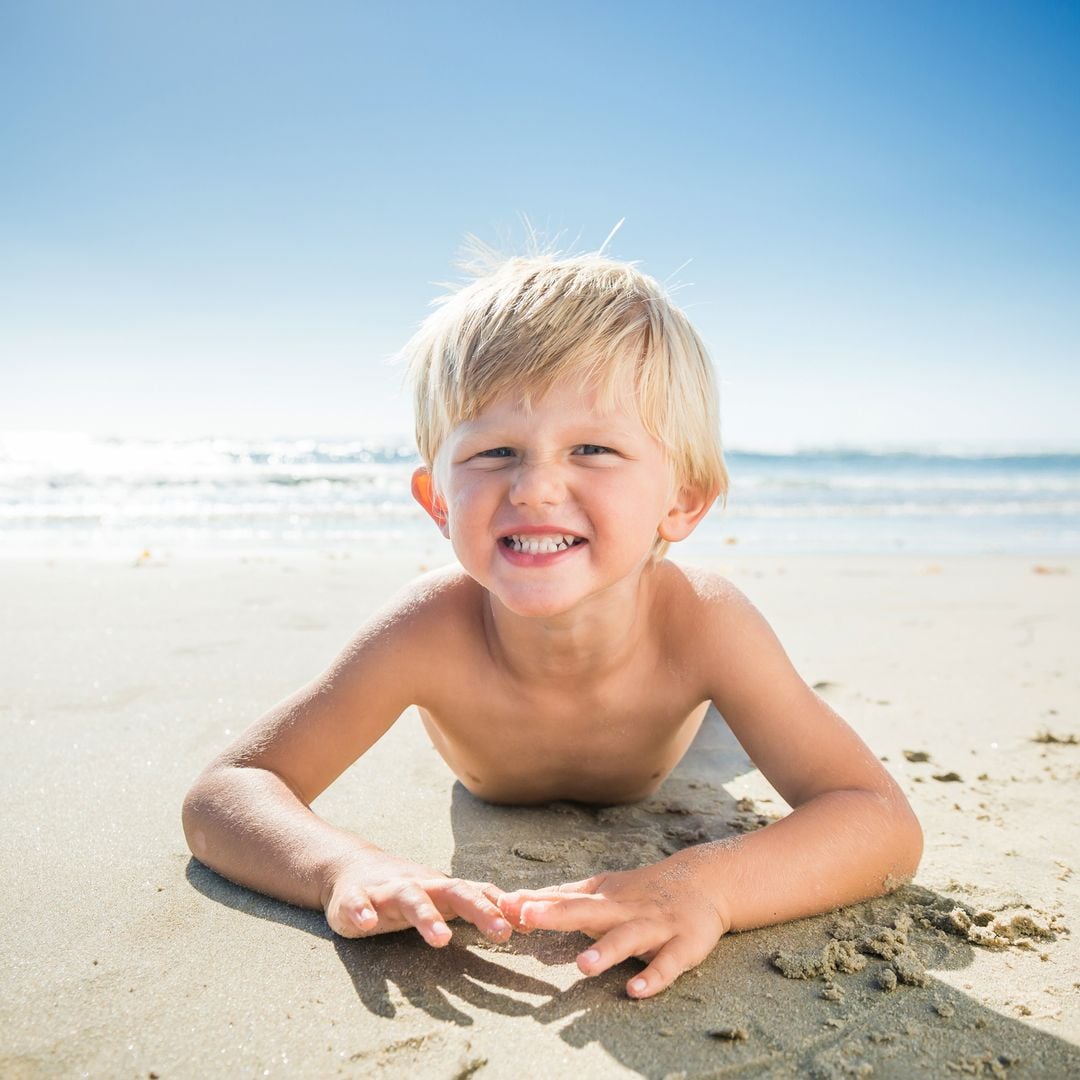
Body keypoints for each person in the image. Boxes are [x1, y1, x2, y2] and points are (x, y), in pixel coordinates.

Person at [182, 243, 922, 999]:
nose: (535, 487)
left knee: (719, 741)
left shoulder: (703, 622)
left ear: (683, 499)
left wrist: (708, 884)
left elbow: (879, 821)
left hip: (681, 731)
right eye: (495, 451)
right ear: (438, 501)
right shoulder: (427, 630)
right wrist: (345, 865)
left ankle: (728, 718)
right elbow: (230, 790)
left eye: (593, 449)